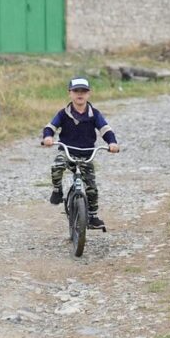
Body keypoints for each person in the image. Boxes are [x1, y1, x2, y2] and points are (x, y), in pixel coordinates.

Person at [42, 77, 120, 228]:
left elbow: (105, 130)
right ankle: (57, 189)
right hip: (66, 150)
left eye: (83, 91)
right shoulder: (63, 113)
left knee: (91, 187)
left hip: (87, 153)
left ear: (89, 93)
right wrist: (48, 137)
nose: (80, 94)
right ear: (70, 93)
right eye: (76, 91)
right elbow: (50, 127)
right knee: (57, 166)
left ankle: (92, 216)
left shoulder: (94, 114)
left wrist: (112, 142)